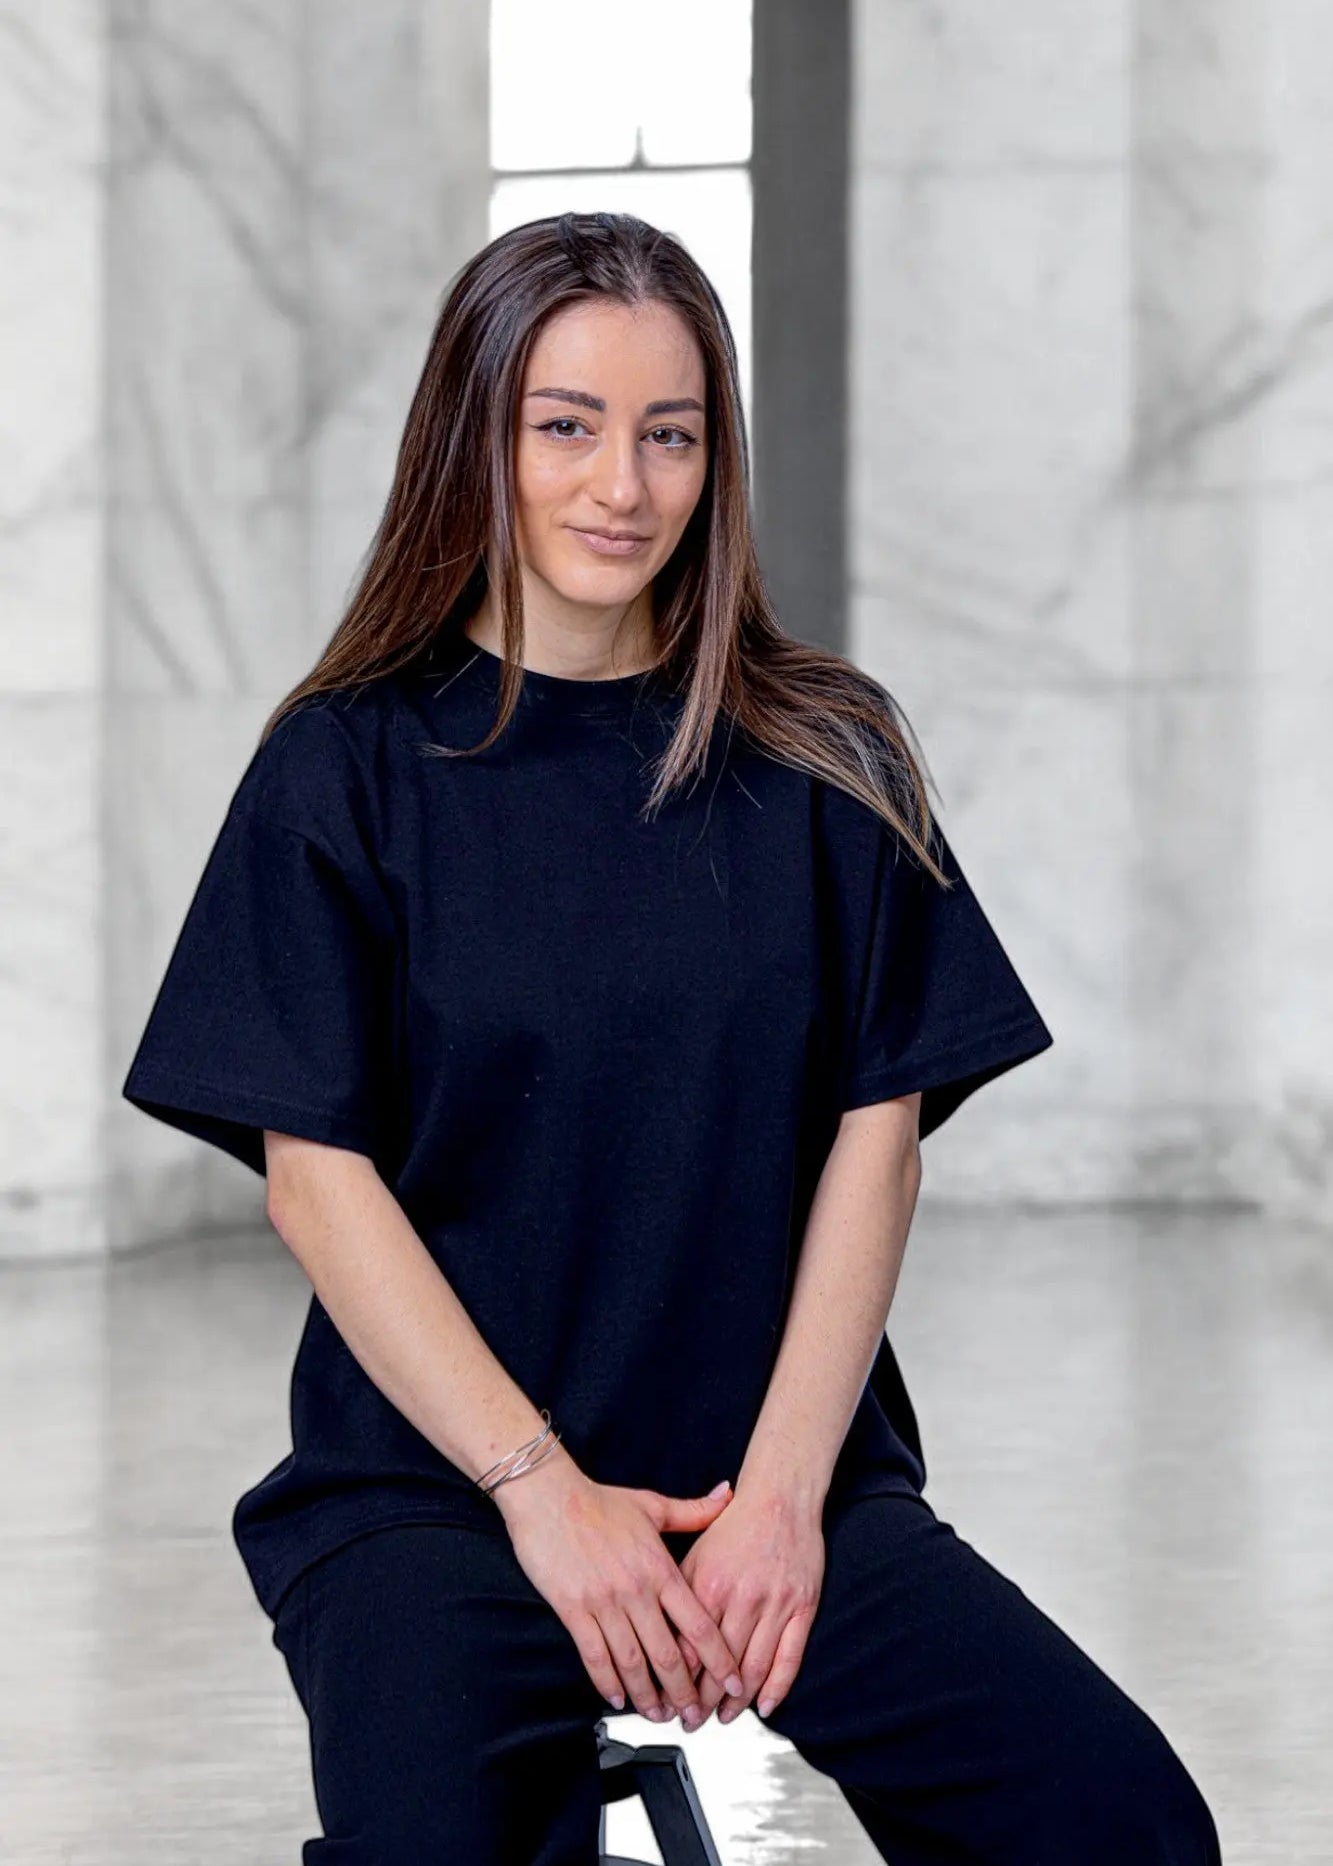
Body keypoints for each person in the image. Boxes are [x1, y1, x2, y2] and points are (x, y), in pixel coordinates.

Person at [122, 211, 1222, 1864]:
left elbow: (876, 1142)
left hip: (770, 1476)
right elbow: (314, 1181)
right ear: (473, 439)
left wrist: (784, 1499)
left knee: (1117, 1820)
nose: (620, 486)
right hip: (441, 1490)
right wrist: (541, 1493)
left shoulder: (827, 753)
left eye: (670, 434)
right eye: (564, 426)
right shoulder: (342, 768)